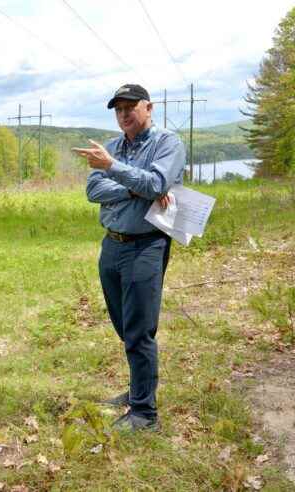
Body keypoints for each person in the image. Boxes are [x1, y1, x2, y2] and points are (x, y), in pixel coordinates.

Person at [72, 83, 185, 431]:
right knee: (124, 324)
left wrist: (117, 171)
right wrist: (135, 186)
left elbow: (157, 184)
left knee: (139, 330)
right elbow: (94, 190)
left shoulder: (167, 143)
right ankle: (138, 388)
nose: (123, 115)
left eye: (130, 107)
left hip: (146, 245)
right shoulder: (111, 148)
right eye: (118, 109)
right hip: (113, 245)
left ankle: (144, 415)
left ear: (148, 108)